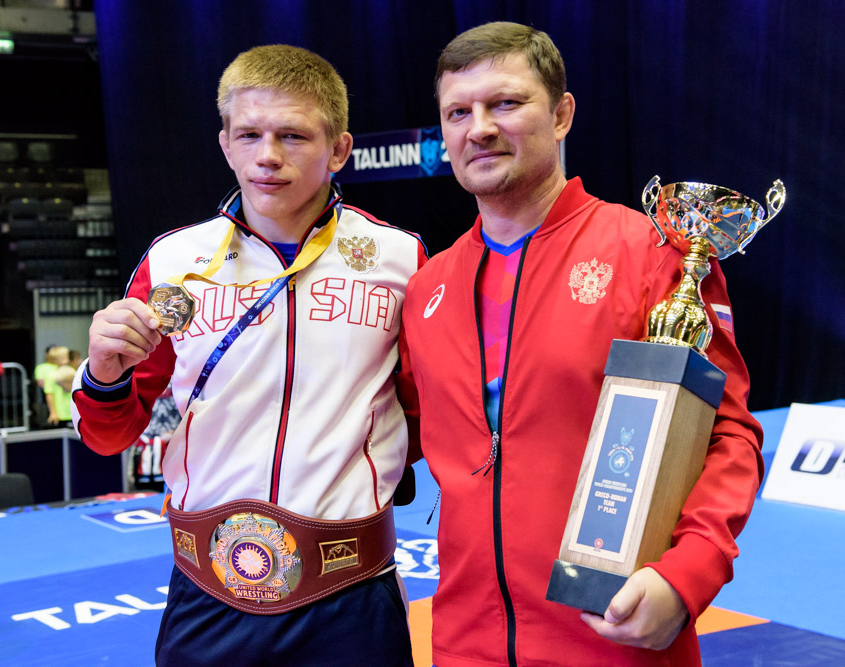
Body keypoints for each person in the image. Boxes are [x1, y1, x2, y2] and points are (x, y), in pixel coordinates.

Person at [399, 22, 764, 666]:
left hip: (613, 635)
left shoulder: (651, 254)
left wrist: (687, 575)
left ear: (562, 114)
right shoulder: (429, 286)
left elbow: (729, 434)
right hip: (464, 640)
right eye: (458, 113)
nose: (478, 129)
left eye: (506, 103)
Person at [70, 44, 425, 666]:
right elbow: (108, 435)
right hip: (208, 592)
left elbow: (423, 412)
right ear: (225, 144)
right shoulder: (173, 261)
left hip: (350, 591)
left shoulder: (399, 258)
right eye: (249, 135)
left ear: (339, 149)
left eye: (293, 135)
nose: (268, 156)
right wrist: (103, 373)